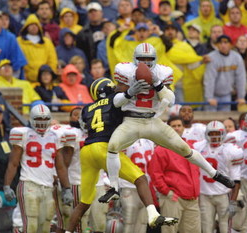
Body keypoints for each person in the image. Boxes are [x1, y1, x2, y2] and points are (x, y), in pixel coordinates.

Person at [104, 43, 234, 203]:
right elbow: (116, 103)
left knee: (184, 149)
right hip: (131, 120)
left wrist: (157, 84)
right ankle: (114, 188)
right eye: (141, 59)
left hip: (153, 121)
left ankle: (215, 173)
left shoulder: (162, 72)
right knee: (112, 147)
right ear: (134, 59)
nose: (145, 62)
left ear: (155, 59)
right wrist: (130, 92)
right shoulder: (126, 71)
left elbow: (171, 100)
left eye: (148, 59)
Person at [65, 78, 179, 233]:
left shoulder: (86, 109)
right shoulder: (116, 100)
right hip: (104, 147)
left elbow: (84, 125)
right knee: (140, 179)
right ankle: (152, 213)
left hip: (87, 150)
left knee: (84, 202)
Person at [3, 104, 74, 233]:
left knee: (46, 224)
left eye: (44, 119)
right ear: (31, 119)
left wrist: (66, 188)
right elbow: (13, 163)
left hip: (48, 186)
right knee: (31, 223)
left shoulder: (55, 136)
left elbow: (60, 166)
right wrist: (7, 185)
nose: (41, 123)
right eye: (38, 119)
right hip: (29, 183)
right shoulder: (23, 134)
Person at [149, 116, 201, 233]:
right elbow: (155, 174)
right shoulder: (162, 149)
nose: (177, 128)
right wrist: (167, 192)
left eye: (179, 126)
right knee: (169, 231)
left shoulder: (190, 147)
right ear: (169, 129)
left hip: (192, 199)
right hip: (173, 198)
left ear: (183, 128)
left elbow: (195, 171)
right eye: (174, 126)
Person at [194, 121, 243, 233]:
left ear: (223, 134)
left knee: (225, 227)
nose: (215, 137)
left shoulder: (230, 150)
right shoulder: (198, 147)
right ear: (207, 134)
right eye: (212, 134)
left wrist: (233, 202)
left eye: (218, 133)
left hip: (223, 195)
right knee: (206, 227)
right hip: (205, 194)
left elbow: (236, 179)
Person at [204, 34, 246, 111]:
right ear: (217, 45)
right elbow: (209, 79)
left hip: (227, 95)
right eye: (220, 43)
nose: (223, 45)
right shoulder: (211, 57)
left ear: (230, 44)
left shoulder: (237, 58)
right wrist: (209, 97)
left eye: (226, 42)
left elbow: (241, 78)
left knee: (224, 119)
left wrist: (241, 97)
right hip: (213, 95)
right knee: (211, 119)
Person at [17, 14, 58, 83]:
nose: (34, 27)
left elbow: (52, 61)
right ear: (26, 26)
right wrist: (23, 75)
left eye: (36, 25)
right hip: (25, 81)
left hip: (44, 82)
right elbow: (17, 59)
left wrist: (49, 76)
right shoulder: (18, 41)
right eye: (31, 25)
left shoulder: (47, 42)